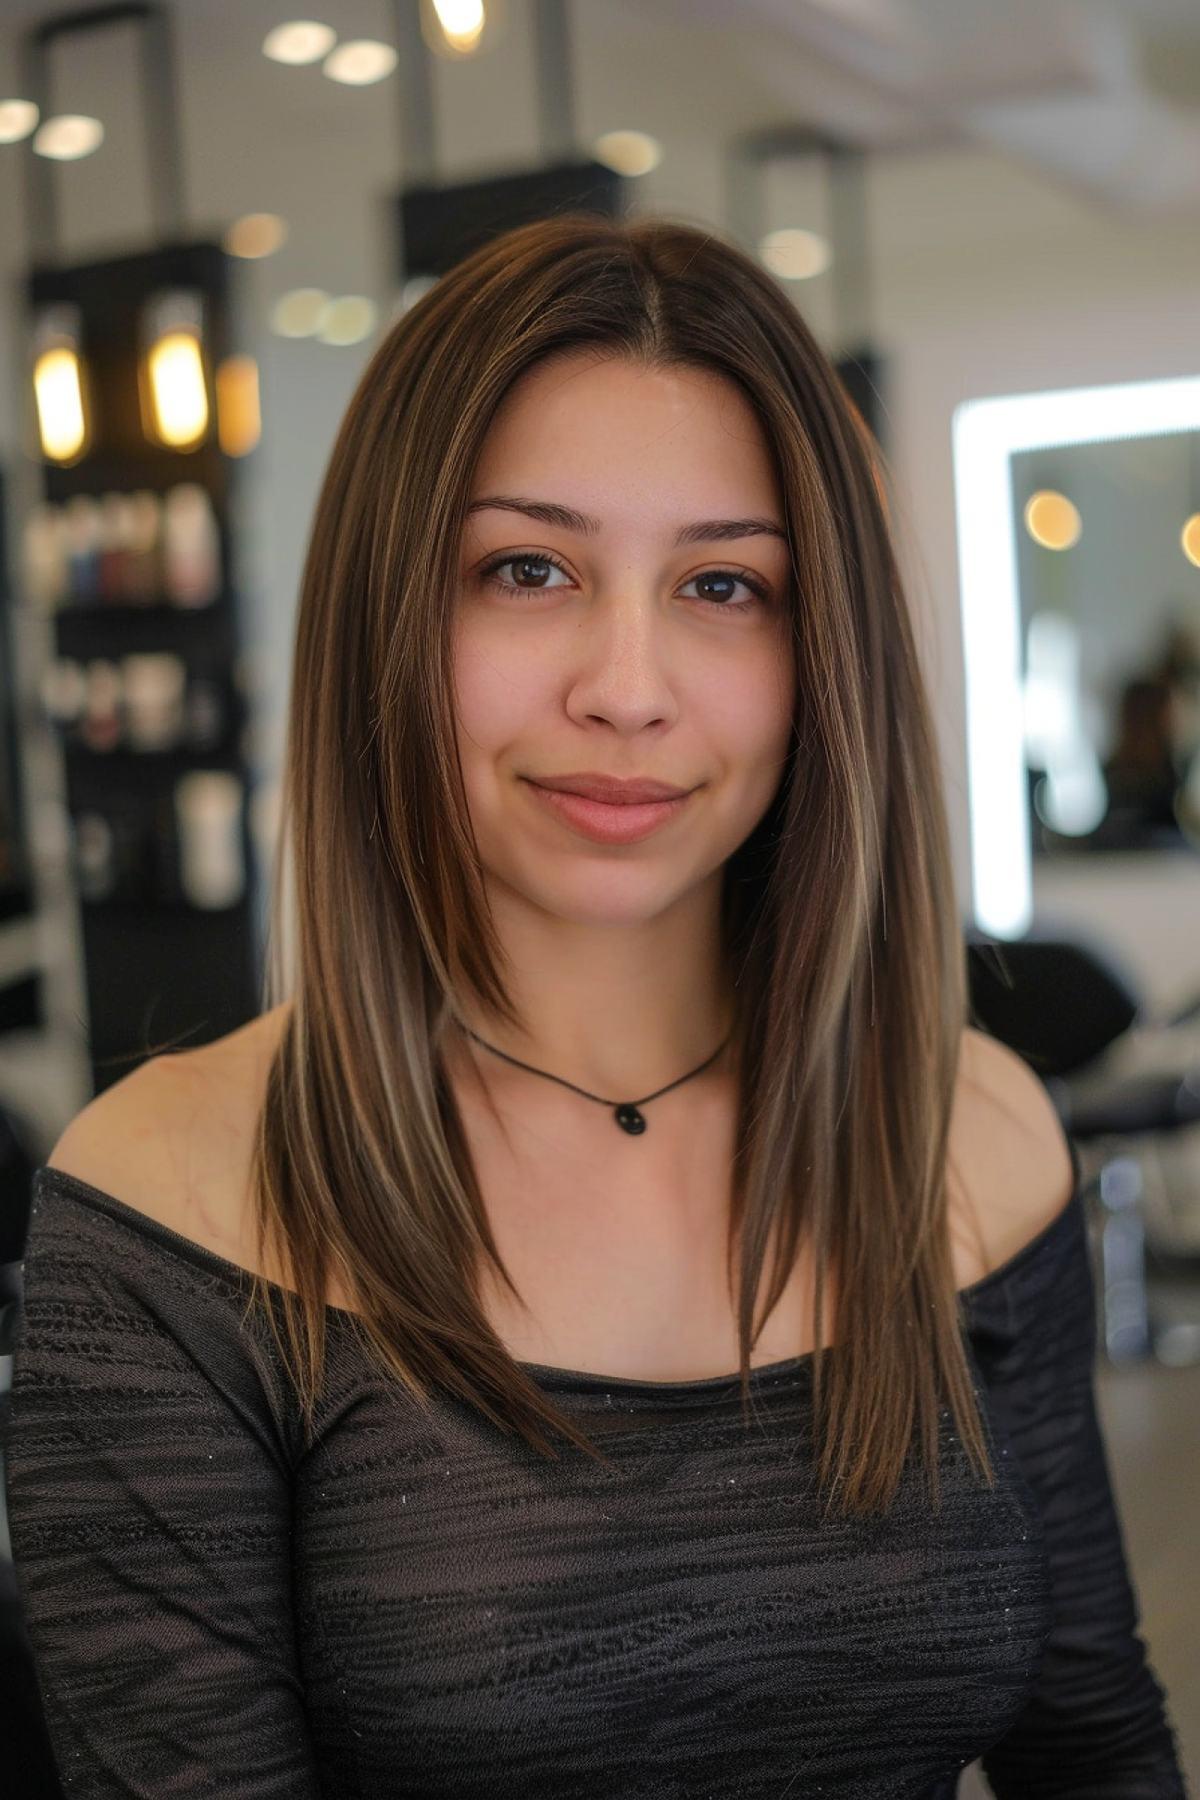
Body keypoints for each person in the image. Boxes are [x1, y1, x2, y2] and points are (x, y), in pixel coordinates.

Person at [2, 213, 1186, 1796]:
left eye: (722, 584)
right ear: (388, 618)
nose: (627, 687)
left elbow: (1094, 1746)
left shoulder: (969, 1129)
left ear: (819, 650)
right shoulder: (171, 1200)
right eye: (529, 569)